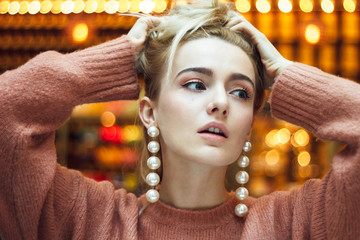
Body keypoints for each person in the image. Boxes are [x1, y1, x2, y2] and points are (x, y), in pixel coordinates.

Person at [0, 0, 359, 239]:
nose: (221, 102)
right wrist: (120, 57)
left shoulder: (292, 224)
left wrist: (284, 74)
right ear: (149, 113)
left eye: (241, 92)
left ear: (249, 125)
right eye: (195, 83)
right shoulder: (88, 219)